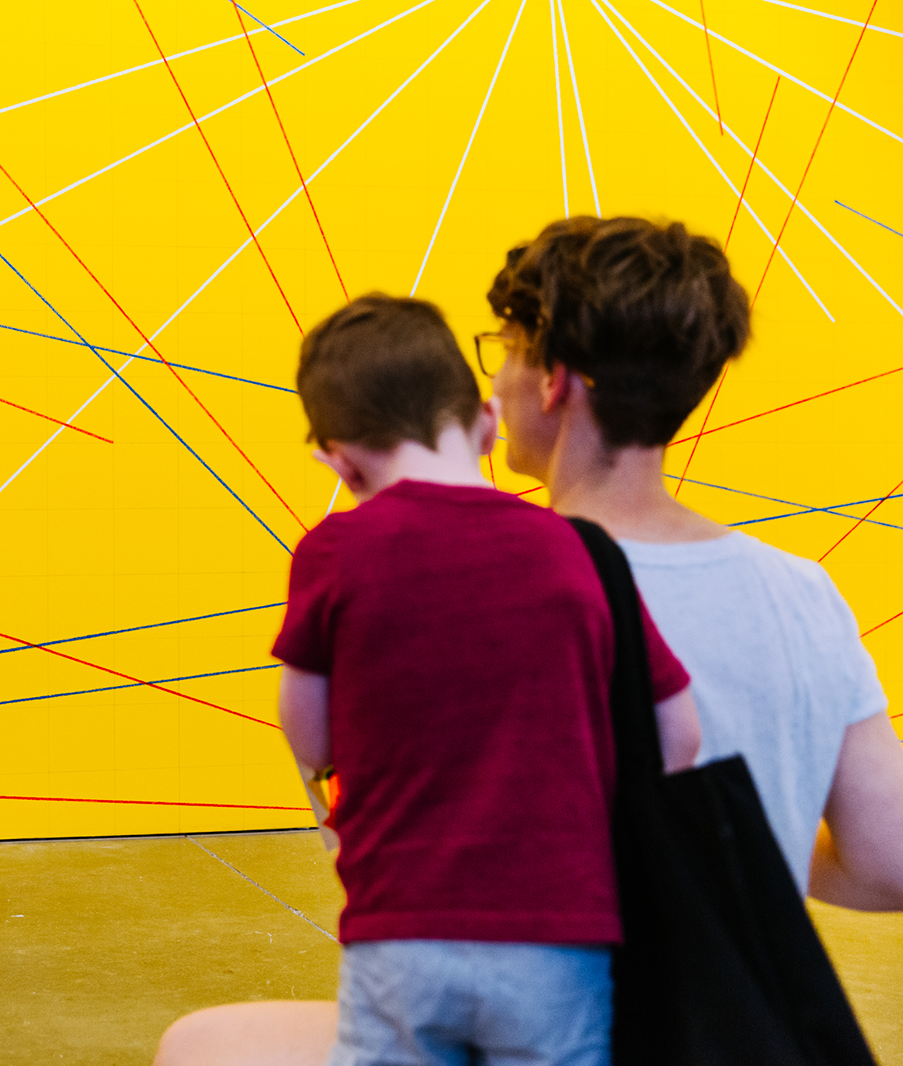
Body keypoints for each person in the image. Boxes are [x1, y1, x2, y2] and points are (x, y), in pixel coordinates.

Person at [159, 293, 701, 1066]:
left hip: (401, 933)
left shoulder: (335, 552)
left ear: (337, 461)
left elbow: (305, 722)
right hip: (561, 936)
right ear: (484, 420)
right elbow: (677, 731)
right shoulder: (576, 550)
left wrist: (330, 783)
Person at [483, 215, 903, 910]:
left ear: (555, 380)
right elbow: (888, 857)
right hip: (740, 1012)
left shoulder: (489, 587)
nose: (494, 381)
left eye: (504, 349)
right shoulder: (803, 594)